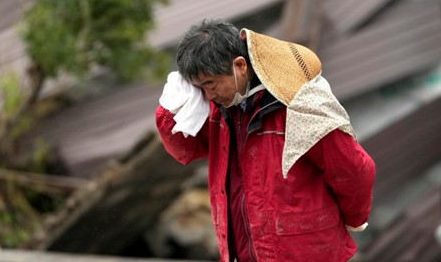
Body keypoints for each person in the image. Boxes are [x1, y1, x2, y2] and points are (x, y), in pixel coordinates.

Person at [155, 19, 376, 262]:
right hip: (243, 252)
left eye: (210, 84)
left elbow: (354, 170)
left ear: (240, 66)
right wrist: (169, 111)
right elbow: (186, 149)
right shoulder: (220, 108)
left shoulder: (299, 104)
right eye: (199, 88)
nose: (208, 95)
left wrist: (355, 220)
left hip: (306, 254)